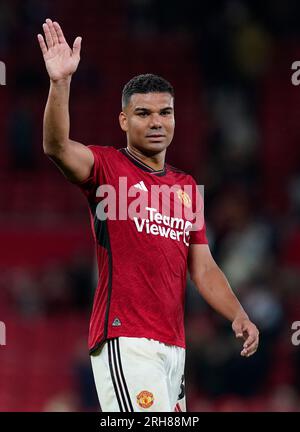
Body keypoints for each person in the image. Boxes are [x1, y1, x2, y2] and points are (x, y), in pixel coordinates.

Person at [37, 18, 259, 412]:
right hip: (126, 341)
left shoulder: (187, 187)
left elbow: (203, 267)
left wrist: (237, 313)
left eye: (165, 112)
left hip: (174, 348)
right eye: (143, 113)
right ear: (124, 120)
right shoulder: (106, 167)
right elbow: (56, 147)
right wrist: (60, 84)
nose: (156, 122)